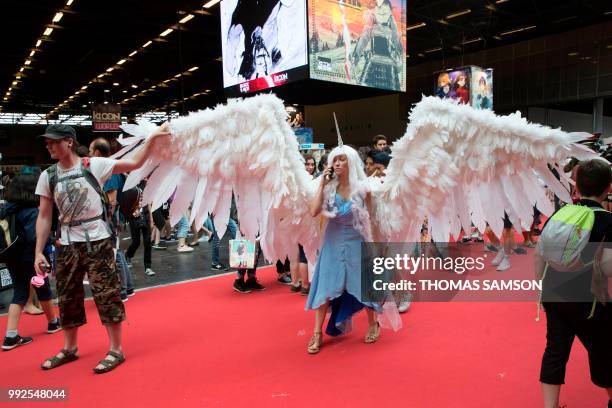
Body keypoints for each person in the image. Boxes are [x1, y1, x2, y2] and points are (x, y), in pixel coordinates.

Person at [34, 123, 170, 373]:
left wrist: (151, 138)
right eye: (47, 142)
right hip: (66, 243)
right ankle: (70, 348)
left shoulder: (93, 165)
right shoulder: (48, 175)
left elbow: (135, 163)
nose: (49, 146)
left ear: (69, 142)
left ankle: (116, 350)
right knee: (67, 296)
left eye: (54, 141)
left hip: (97, 240)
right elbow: (44, 216)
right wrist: (38, 251)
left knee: (106, 293)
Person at [536, 159, 612, 408]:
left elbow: (540, 254)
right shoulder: (607, 220)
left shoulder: (561, 213)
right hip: (589, 300)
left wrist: (541, 286)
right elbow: (608, 268)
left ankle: (550, 406)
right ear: (608, 188)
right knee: (605, 350)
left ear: (576, 186)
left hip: (553, 293)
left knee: (555, 351)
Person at [305, 145, 385, 354]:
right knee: (325, 285)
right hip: (332, 242)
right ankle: (316, 333)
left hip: (356, 241)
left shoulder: (363, 188)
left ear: (351, 162)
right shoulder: (328, 187)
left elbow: (370, 219)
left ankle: (372, 323)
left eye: (342, 159)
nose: (338, 163)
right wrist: (322, 181)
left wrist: (374, 246)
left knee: (363, 283)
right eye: (335, 160)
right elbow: (314, 211)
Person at [1, 169, 61, 350]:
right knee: (42, 287)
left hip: (11, 255)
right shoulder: (31, 211)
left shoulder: (7, 209)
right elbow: (33, 235)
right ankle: (53, 322)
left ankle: (10, 335)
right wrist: (52, 241)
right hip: (31, 255)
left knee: (19, 292)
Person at [89, 138, 135, 300]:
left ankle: (122, 289)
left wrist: (107, 222)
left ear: (96, 153)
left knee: (115, 254)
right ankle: (128, 287)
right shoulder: (113, 167)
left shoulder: (108, 169)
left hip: (111, 219)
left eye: (90, 150)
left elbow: (112, 200)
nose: (88, 154)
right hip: (115, 218)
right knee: (119, 253)